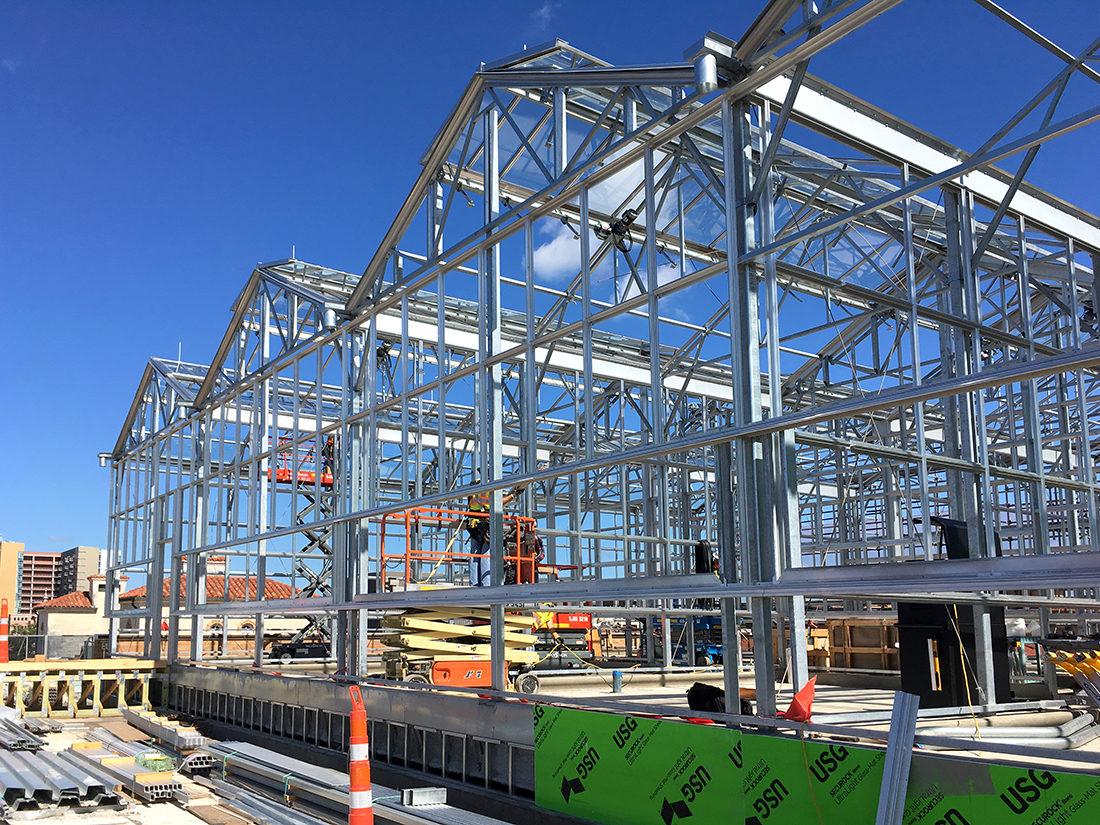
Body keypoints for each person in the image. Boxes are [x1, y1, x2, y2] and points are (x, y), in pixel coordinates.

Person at [466, 479, 526, 587]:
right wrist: (513, 495)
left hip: (473, 525)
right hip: (486, 525)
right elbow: (498, 503)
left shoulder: (474, 488)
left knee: (474, 555)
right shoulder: (490, 488)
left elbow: (470, 504)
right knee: (485, 554)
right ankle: (486, 584)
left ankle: (473, 585)